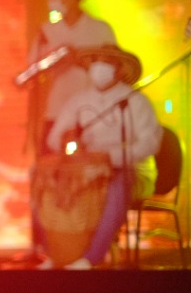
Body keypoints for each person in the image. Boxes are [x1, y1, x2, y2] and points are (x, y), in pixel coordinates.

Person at [37, 44, 161, 270]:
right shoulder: (78, 100)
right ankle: (55, 252)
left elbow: (151, 143)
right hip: (86, 170)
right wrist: (68, 141)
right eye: (94, 61)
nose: (98, 67)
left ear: (119, 69)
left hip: (130, 170)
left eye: (106, 62)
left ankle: (92, 257)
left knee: (116, 183)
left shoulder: (136, 101)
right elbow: (54, 140)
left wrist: (110, 156)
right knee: (41, 178)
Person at [26, 0, 118, 153]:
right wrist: (53, 61)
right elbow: (32, 69)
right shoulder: (46, 31)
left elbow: (116, 69)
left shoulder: (100, 29)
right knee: (51, 165)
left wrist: (81, 60)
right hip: (56, 109)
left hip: (93, 112)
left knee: (92, 167)